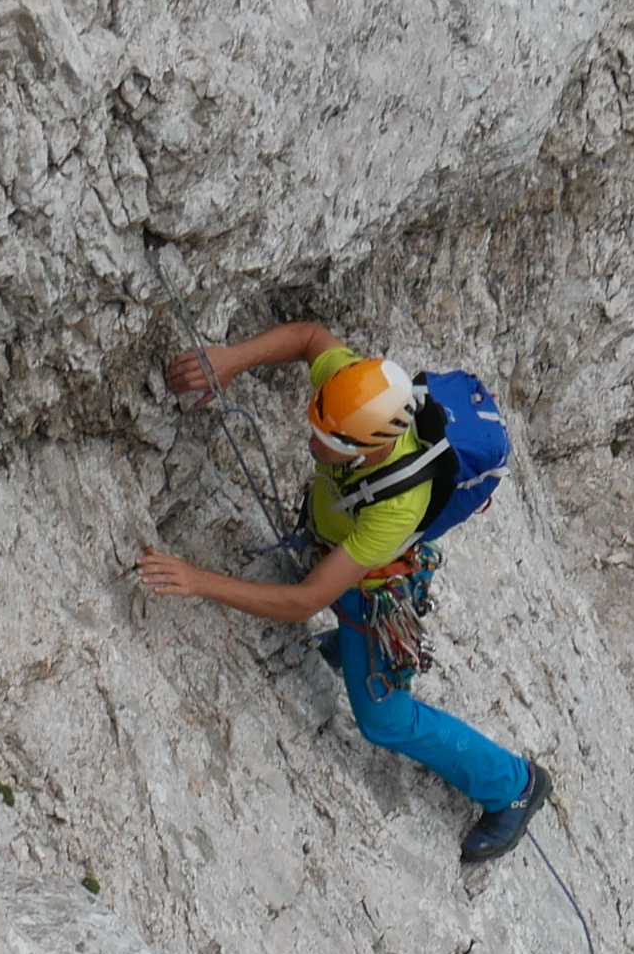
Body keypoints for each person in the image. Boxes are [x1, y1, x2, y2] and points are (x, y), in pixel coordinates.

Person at [133, 322, 552, 864]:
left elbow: (305, 600)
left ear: (366, 450)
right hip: (337, 539)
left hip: (376, 583)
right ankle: (350, 647)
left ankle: (514, 783)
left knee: (385, 720)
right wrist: (231, 359)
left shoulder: (396, 506)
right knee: (340, 600)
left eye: (326, 442)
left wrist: (197, 581)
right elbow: (310, 338)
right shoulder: (358, 393)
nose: (311, 443)